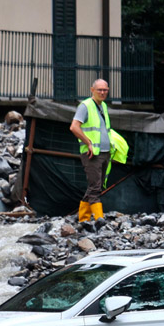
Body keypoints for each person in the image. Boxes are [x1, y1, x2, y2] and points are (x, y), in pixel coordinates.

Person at [70, 79, 127, 222]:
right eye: (99, 90)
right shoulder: (86, 106)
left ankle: (83, 219)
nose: (102, 92)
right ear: (92, 90)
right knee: (95, 188)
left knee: (95, 187)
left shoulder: (103, 106)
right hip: (92, 153)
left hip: (104, 152)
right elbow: (74, 127)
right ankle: (100, 220)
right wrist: (88, 142)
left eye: (105, 90)